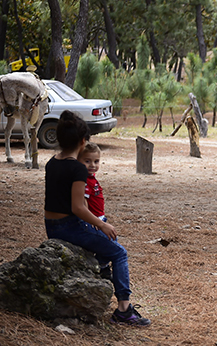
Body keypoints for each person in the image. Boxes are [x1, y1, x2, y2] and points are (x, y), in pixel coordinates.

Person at [44, 110, 151, 327]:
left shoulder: (52, 162)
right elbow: (77, 207)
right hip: (68, 227)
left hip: (51, 226)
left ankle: (102, 271)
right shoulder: (77, 169)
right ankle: (123, 309)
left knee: (108, 247)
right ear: (83, 142)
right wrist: (101, 224)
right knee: (119, 252)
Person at [78, 141, 111, 280]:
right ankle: (101, 266)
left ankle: (101, 264)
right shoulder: (85, 181)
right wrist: (91, 219)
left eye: (96, 161)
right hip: (94, 220)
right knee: (110, 243)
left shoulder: (92, 178)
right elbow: (83, 201)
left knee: (111, 240)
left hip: (100, 217)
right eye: (87, 161)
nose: (92, 165)